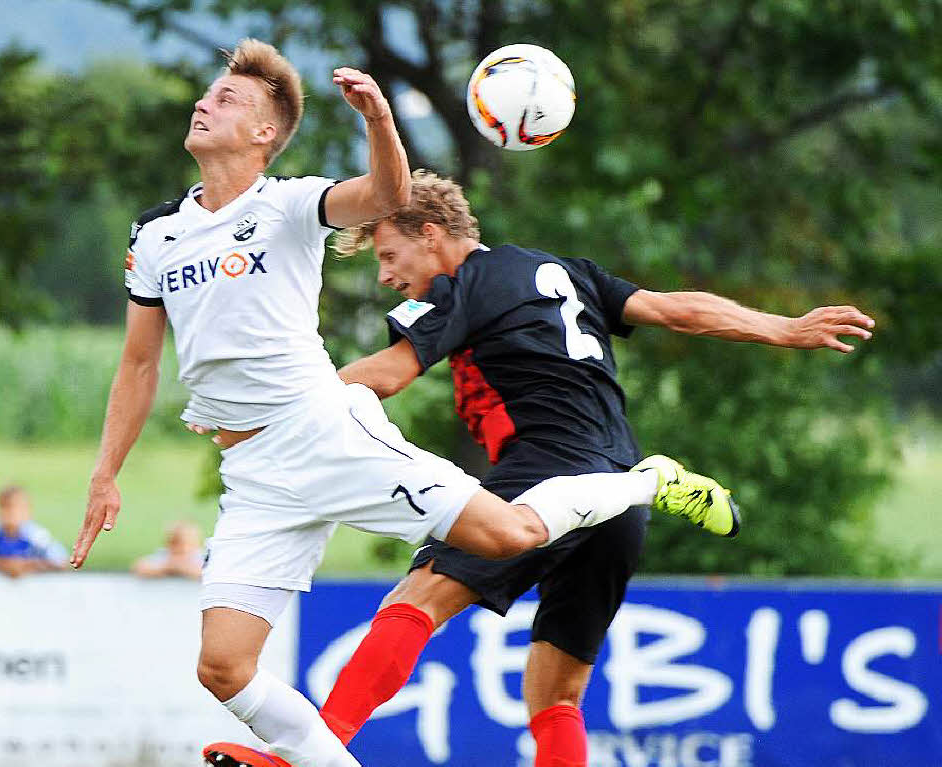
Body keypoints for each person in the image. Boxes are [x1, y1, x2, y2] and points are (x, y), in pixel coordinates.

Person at [69, 38, 735, 767]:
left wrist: (379, 120)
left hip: (323, 429)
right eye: (208, 94)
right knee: (223, 667)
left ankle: (648, 480)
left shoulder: (288, 204)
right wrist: (107, 472)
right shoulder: (156, 233)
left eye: (227, 98)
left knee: (510, 534)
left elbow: (385, 197)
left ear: (265, 132)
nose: (204, 103)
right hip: (254, 470)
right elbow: (138, 362)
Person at [203, 170, 875, 767]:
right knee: (556, 693)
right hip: (615, 493)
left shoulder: (462, 284)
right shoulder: (564, 270)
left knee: (415, 603)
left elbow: (386, 374)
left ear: (431, 232)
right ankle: (654, 481)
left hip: (547, 477)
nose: (385, 275)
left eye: (388, 254)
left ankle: (314, 750)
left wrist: (268, 409)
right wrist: (784, 328)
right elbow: (677, 310)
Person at [0, 485, 67, 578]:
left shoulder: (36, 535)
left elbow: (61, 561)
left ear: (28, 512)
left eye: (17, 508)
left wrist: (26, 565)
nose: (12, 513)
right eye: (6, 507)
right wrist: (7, 565)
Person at [131, 520, 205, 578]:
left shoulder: (198, 557)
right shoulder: (166, 556)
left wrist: (182, 568)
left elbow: (206, 573)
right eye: (175, 544)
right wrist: (166, 568)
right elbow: (139, 567)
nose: (182, 549)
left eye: (189, 544)